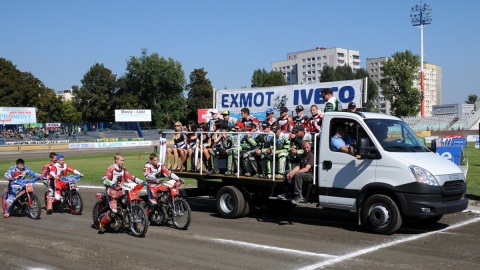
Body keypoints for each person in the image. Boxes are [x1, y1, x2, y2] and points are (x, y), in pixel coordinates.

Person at [98, 153, 145, 234]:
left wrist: (141, 182)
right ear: (116, 160)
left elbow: (130, 177)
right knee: (114, 211)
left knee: (126, 204)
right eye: (121, 160)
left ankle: (128, 220)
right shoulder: (111, 169)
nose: (123, 162)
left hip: (121, 191)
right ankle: (102, 224)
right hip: (112, 192)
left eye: (123, 160)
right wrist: (111, 183)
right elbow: (104, 179)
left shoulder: (123, 169)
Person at [279, 140, 314, 204]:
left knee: (298, 174)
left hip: (309, 175)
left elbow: (307, 169)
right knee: (287, 172)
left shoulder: (312, 155)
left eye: (307, 147)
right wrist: (291, 172)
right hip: (302, 173)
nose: (306, 149)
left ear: (310, 146)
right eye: (304, 148)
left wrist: (294, 173)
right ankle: (288, 193)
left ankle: (298, 195)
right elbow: (298, 166)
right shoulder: (302, 155)